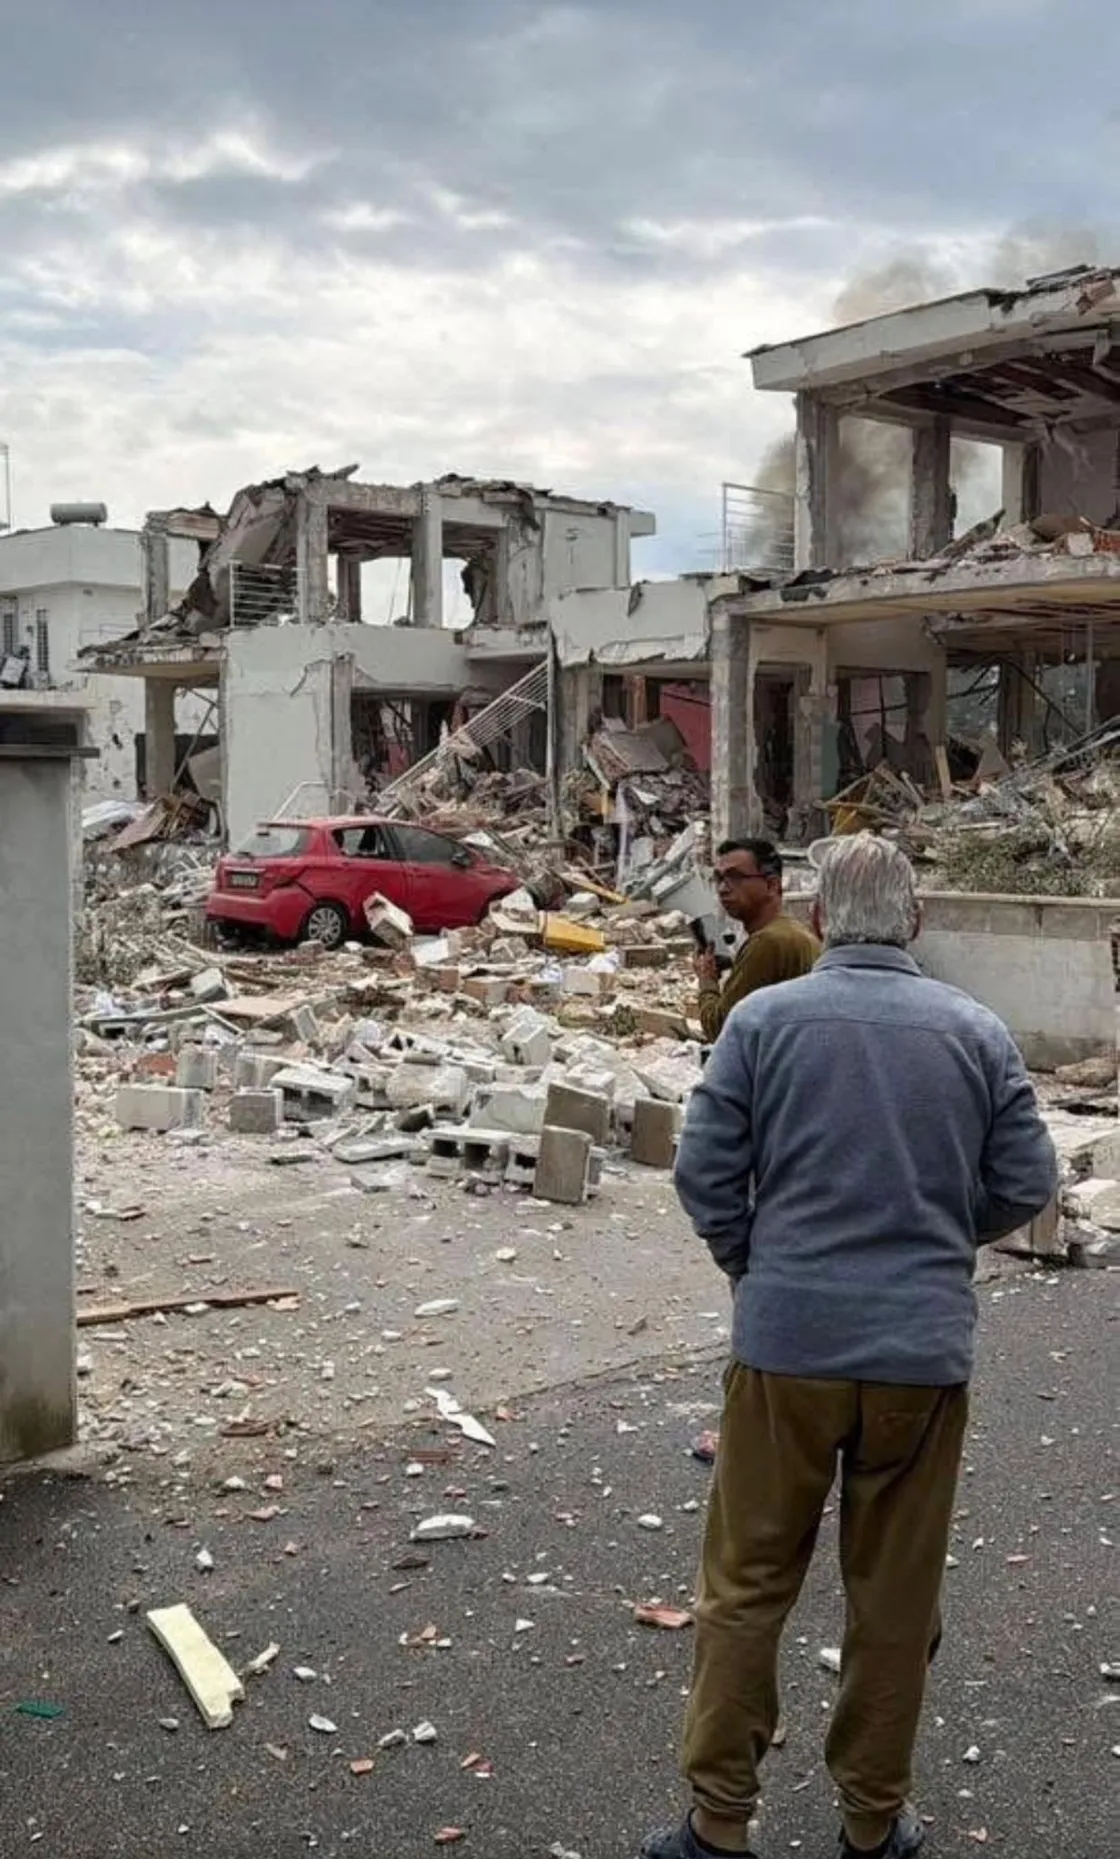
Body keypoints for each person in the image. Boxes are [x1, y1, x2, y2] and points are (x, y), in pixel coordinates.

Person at [642, 834, 1057, 1859]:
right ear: (915, 922)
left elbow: (702, 1172)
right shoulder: (975, 1031)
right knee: (893, 1597)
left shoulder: (761, 1021)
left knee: (745, 1586)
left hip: (786, 1345)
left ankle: (718, 1822)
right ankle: (872, 1822)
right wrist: (930, 1242)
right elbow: (1026, 1182)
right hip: (919, 1355)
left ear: (819, 917)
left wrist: (758, 1261)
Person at [696, 839, 820, 1044]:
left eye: (735, 877)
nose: (722, 888)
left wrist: (707, 980)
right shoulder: (794, 931)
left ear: (772, 885)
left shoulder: (767, 943)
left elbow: (722, 1030)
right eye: (718, 878)